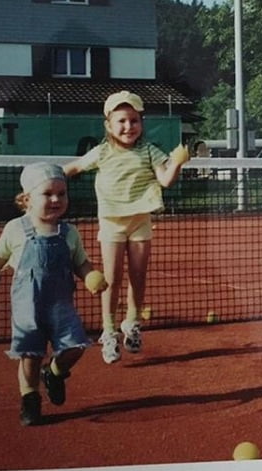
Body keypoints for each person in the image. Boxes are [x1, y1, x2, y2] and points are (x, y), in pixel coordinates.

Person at [63, 90, 190, 364]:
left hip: (140, 221)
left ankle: (131, 323)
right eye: (121, 121)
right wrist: (45, 182)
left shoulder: (149, 151)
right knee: (111, 279)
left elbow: (166, 180)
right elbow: (71, 169)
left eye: (134, 120)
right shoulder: (102, 152)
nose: (128, 126)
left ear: (141, 123)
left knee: (138, 275)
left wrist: (177, 163)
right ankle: (108, 331)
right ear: (108, 124)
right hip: (111, 223)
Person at [0, 162, 107, 426]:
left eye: (62, 193)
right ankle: (30, 399)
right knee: (30, 356)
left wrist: (90, 275)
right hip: (28, 308)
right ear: (27, 199)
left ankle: (56, 372)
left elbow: (80, 261)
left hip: (61, 307)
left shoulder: (70, 233)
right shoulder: (15, 229)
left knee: (75, 348)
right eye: (47, 194)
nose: (56, 199)